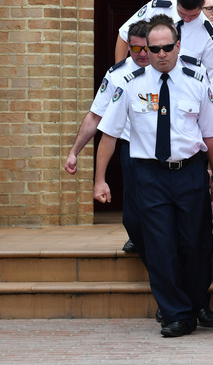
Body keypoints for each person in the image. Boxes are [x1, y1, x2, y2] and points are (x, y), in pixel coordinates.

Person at [94, 18, 213, 338]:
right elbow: (109, 134)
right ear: (145, 50)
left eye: (168, 47)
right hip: (149, 175)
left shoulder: (197, 79)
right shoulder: (130, 83)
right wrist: (100, 179)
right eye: (155, 49)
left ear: (178, 46)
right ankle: (175, 314)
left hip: (190, 172)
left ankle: (195, 303)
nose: (162, 54)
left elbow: (212, 135)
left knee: (196, 243)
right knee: (160, 245)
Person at [65, 20, 151, 256]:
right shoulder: (117, 75)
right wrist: (74, 151)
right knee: (133, 215)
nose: (142, 54)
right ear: (128, 47)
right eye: (135, 49)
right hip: (132, 150)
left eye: (147, 48)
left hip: (167, 151)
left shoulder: (170, 69)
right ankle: (138, 239)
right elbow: (95, 117)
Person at [114, 0, 213, 91]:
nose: (187, 19)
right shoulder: (156, 8)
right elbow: (124, 35)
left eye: (193, 15)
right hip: (143, 84)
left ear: (202, 4)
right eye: (182, 13)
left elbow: (212, 81)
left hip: (182, 91)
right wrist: (119, 78)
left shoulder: (208, 34)